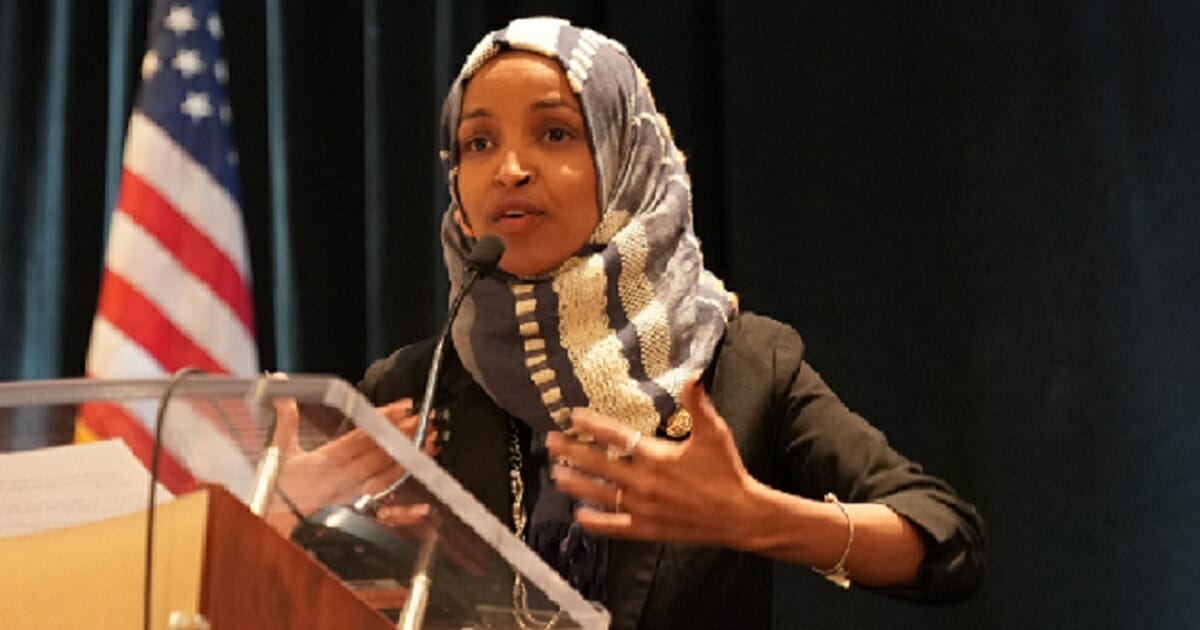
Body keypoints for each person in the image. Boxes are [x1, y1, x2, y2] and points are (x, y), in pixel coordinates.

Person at [357, 16, 985, 629]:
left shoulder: (741, 366)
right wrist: (287, 513)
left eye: (554, 134)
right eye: (479, 142)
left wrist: (754, 517)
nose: (509, 169)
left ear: (627, 160)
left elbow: (947, 539)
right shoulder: (415, 391)